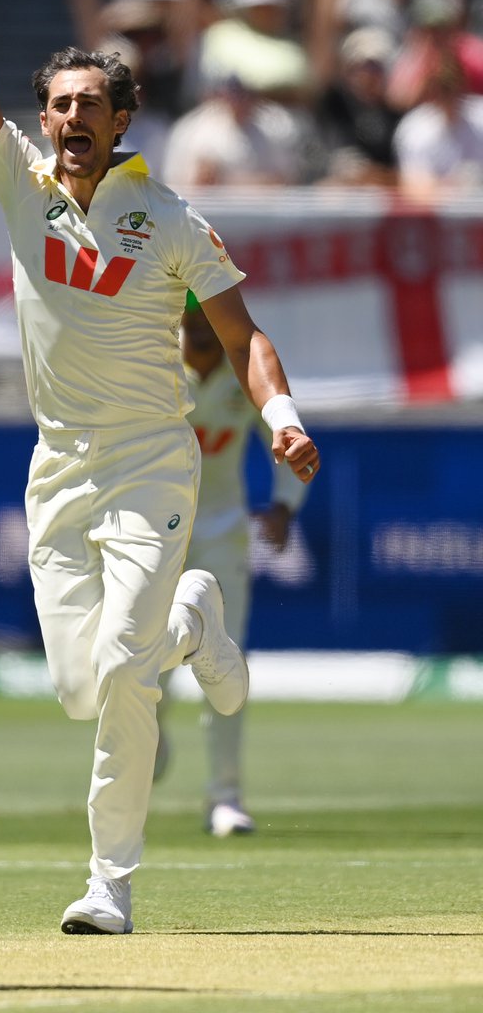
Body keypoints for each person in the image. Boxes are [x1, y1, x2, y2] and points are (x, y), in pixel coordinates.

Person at [0, 0, 320, 936]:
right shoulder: (19, 187)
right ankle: (193, 621)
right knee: (82, 687)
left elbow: (243, 334)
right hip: (57, 470)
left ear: (121, 121)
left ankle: (107, 884)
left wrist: (281, 415)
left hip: (151, 465)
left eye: (89, 105)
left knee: (121, 676)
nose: (69, 118)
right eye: (58, 103)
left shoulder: (168, 219)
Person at [155, 296, 309, 837]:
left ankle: (225, 797)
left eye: (206, 325)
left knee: (224, 666)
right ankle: (147, 735)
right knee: (146, 658)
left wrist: (285, 505)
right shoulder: (156, 364)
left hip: (221, 533)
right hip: (153, 535)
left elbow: (289, 440)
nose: (198, 335)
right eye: (190, 324)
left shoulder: (243, 375)